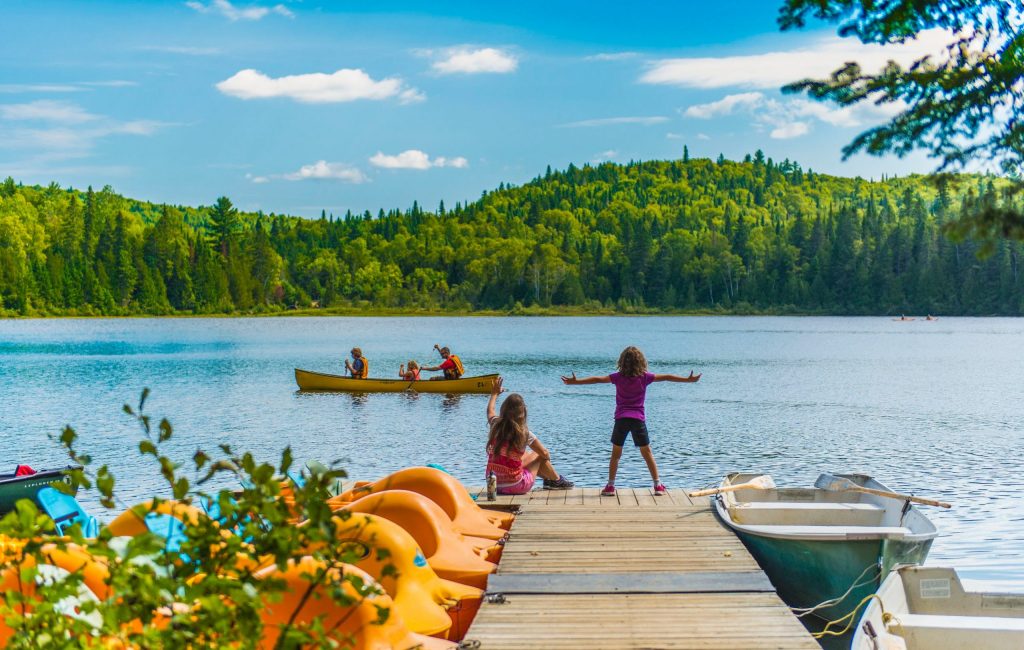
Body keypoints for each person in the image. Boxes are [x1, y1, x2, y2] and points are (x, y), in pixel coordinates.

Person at [561, 346, 700, 497]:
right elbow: (667, 376)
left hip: (621, 419)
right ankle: (657, 485)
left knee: (616, 454)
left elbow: (597, 379)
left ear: (622, 362)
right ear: (641, 362)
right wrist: (687, 380)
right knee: (647, 453)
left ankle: (610, 486)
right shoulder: (645, 377)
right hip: (638, 420)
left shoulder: (618, 377)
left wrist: (576, 382)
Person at [486, 377, 573, 494]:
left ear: (503, 410)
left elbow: (490, 410)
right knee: (538, 454)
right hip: (516, 485)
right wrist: (545, 461)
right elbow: (545, 453)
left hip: (494, 483)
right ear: (523, 413)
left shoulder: (495, 424)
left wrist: (494, 394)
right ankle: (555, 480)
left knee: (524, 455)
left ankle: (551, 480)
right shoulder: (524, 433)